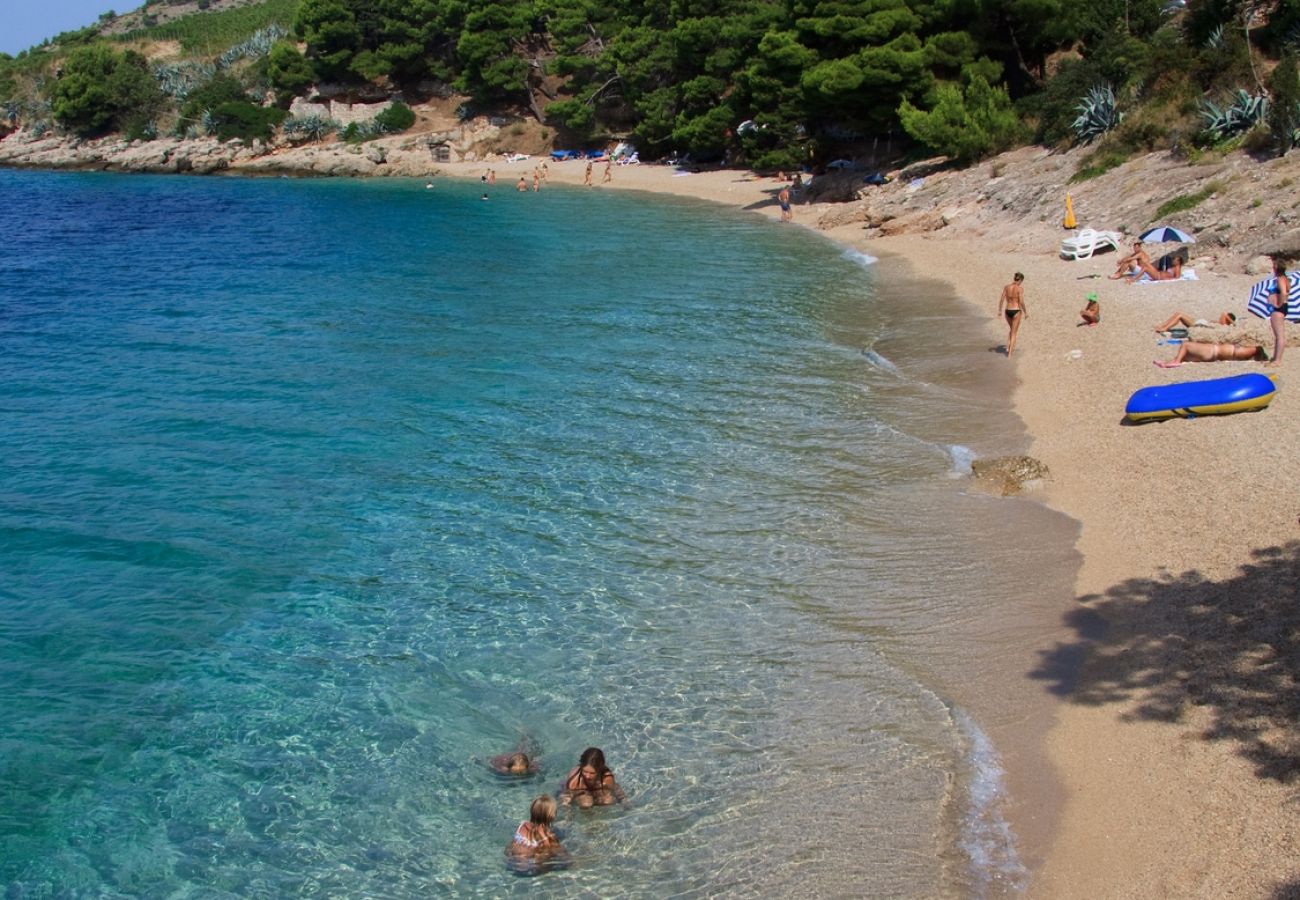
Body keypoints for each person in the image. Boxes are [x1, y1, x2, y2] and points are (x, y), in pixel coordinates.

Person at [559, 747, 625, 808]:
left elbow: (616, 789)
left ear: (600, 770)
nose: (587, 776)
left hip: (596, 790)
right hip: (580, 793)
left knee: (608, 801)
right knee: (586, 803)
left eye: (592, 773)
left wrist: (624, 801)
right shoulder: (574, 782)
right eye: (585, 771)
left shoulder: (607, 778)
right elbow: (566, 800)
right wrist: (567, 817)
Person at [1154, 340, 1267, 367]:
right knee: (1186, 354)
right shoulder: (1239, 351)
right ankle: (1169, 362)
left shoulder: (1241, 350)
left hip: (1218, 352)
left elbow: (1259, 349)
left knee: (1186, 345)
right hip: (1220, 352)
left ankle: (1175, 361)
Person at [997, 272, 1027, 357]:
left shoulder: (1006, 287)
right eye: (1021, 281)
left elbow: (1002, 299)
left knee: (1011, 329)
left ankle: (1007, 347)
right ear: (1020, 280)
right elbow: (1021, 302)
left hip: (1007, 311)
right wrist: (1025, 312)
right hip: (1016, 311)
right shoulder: (1019, 289)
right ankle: (1009, 354)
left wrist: (999, 310)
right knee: (1014, 333)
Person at [1267, 256, 1289, 367]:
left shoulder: (1280, 278)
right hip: (1281, 308)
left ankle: (1278, 360)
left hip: (1278, 308)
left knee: (1279, 336)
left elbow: (1284, 293)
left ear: (1276, 268)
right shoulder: (1285, 278)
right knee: (1279, 335)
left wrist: (1278, 304)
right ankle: (1275, 358)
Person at [1153, 311, 1236, 332]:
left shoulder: (1224, 325)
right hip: (1197, 322)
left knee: (1180, 315)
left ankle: (1165, 328)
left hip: (1197, 325)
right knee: (1178, 313)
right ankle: (1162, 325)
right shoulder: (1219, 323)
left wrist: (1232, 322)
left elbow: (1224, 313)